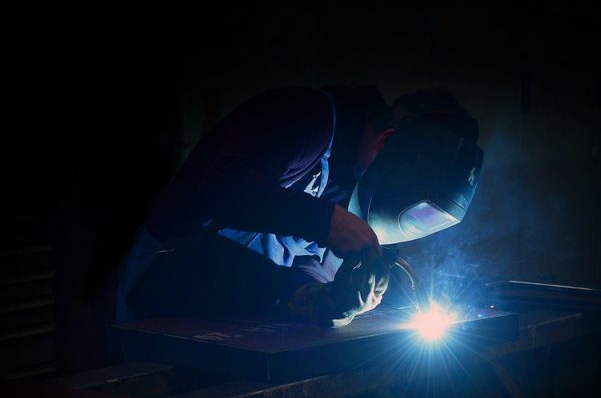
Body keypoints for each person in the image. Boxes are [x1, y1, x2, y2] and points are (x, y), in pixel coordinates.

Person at [118, 85, 481, 327]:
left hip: (231, 322)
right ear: (387, 141)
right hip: (157, 298)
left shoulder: (351, 184)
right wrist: (326, 222)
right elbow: (220, 189)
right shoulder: (307, 119)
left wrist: (321, 298)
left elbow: (300, 266)